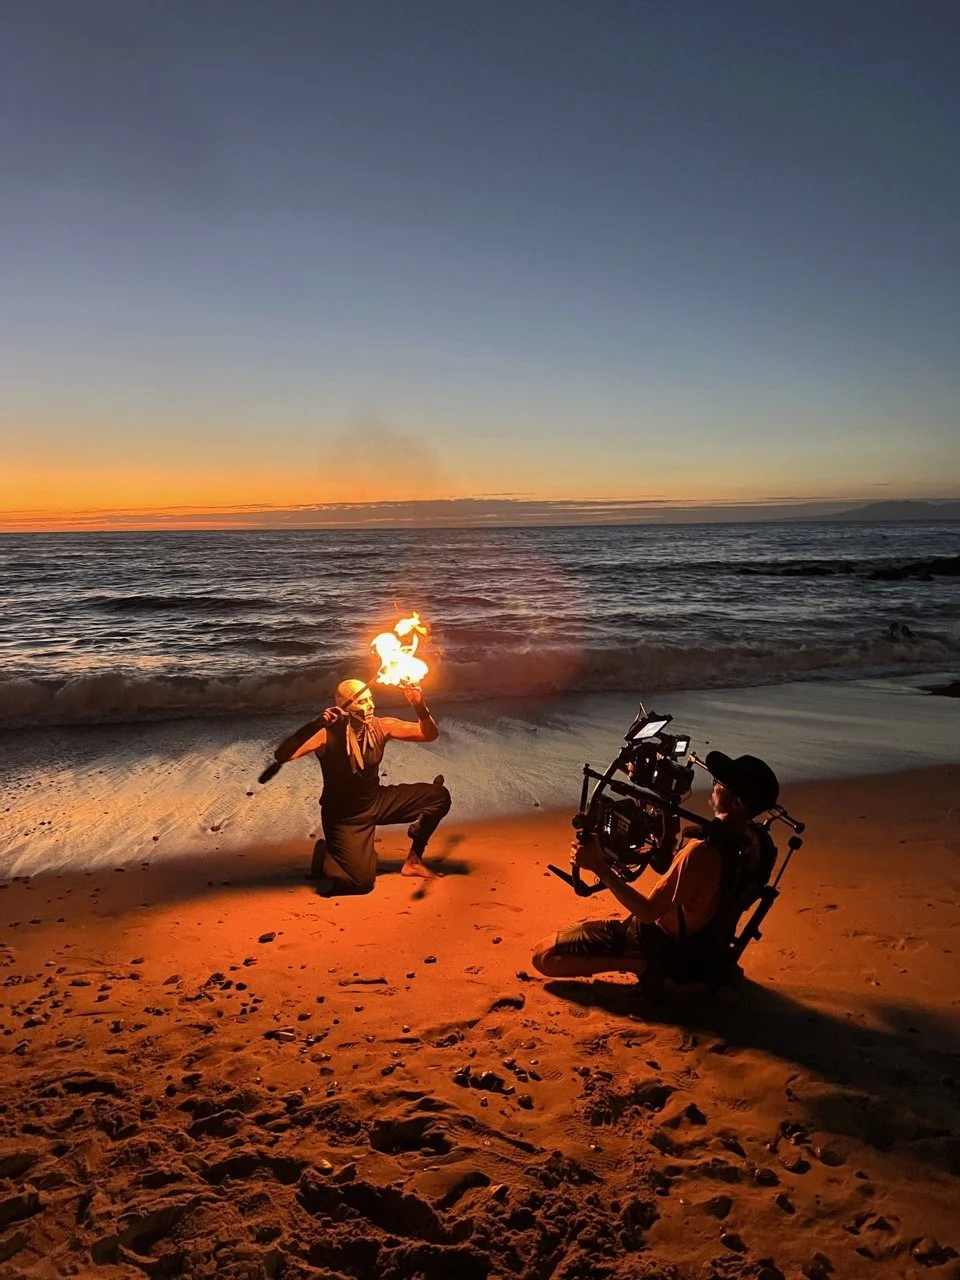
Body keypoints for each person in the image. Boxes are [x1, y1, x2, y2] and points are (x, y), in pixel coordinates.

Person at [531, 751, 780, 986]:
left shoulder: (702, 852)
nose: (714, 785)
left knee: (543, 957)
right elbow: (702, 888)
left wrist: (599, 866)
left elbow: (648, 912)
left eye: (720, 782)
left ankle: (641, 965)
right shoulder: (761, 844)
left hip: (657, 942)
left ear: (737, 802)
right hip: (705, 947)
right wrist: (666, 848)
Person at [273, 678, 451, 895]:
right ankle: (326, 854)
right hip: (344, 817)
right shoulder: (326, 733)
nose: (369, 706)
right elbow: (283, 755)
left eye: (370, 700)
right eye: (361, 702)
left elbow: (428, 734)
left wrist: (418, 704)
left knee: (438, 796)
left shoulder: (380, 726)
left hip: (376, 801)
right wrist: (316, 723)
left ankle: (413, 861)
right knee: (360, 883)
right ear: (343, 706)